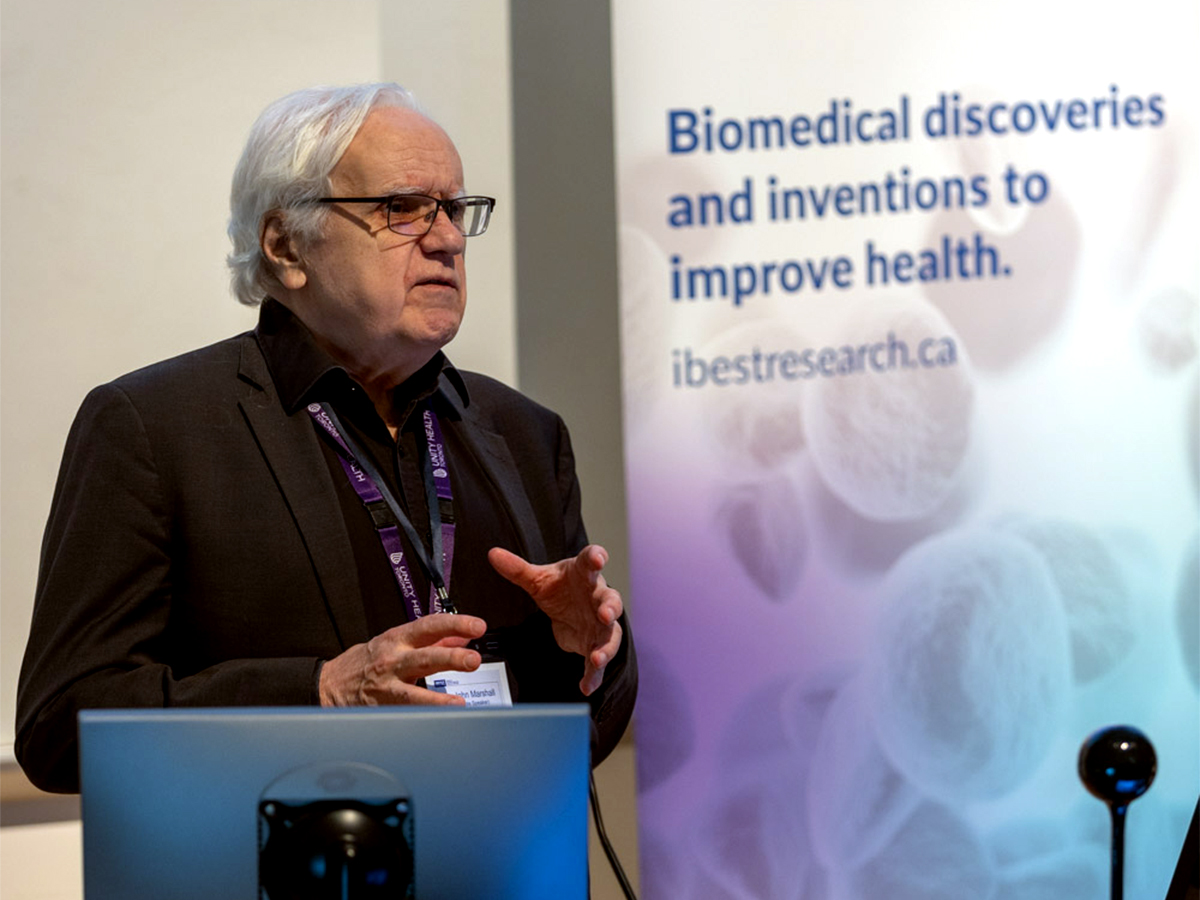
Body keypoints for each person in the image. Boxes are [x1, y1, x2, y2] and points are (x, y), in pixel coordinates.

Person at [16, 83, 636, 794]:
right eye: (403, 207)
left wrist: (594, 650)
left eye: (457, 208)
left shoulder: (523, 432)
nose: (448, 238)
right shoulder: (155, 429)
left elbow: (580, 727)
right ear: (286, 246)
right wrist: (320, 692)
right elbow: (60, 726)